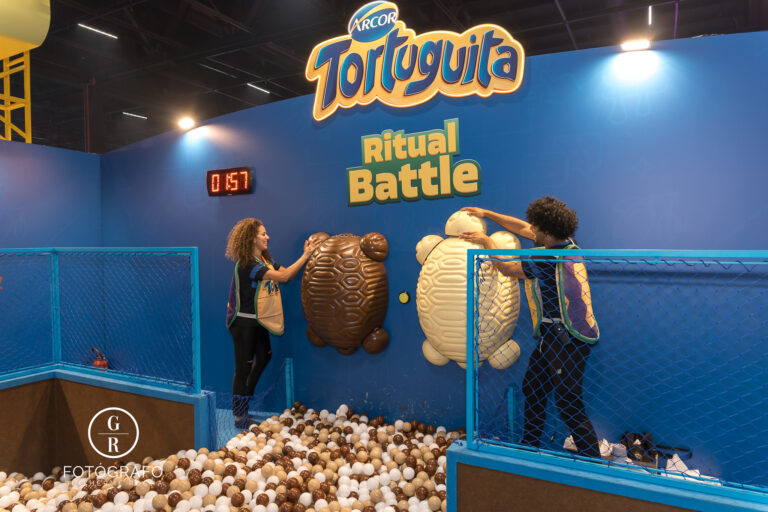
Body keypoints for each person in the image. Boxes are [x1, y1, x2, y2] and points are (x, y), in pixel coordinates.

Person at [460, 197, 601, 458]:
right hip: (551, 336)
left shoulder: (549, 258)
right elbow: (523, 228)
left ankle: (592, 461)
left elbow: (508, 268)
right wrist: (487, 212)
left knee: (568, 402)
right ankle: (529, 447)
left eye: (537, 229)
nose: (531, 231)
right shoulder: (564, 243)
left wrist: (487, 243)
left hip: (568, 341)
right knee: (533, 389)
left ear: (547, 233)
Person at [225, 218, 319, 428]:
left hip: (257, 320)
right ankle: (240, 415)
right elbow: (284, 277)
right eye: (263, 234)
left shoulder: (263, 260)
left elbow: (286, 271)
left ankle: (245, 398)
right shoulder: (248, 264)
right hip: (242, 323)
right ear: (252, 238)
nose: (267, 237)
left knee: (265, 356)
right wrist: (306, 255)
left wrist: (307, 258)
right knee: (243, 368)